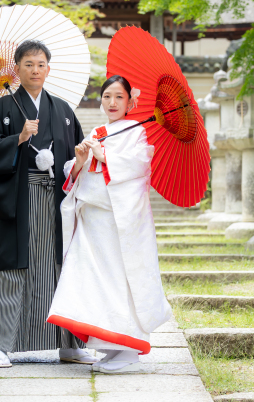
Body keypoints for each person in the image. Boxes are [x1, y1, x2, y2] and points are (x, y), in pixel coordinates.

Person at [0, 39, 100, 368]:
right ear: (15, 69)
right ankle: (2, 347)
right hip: (19, 201)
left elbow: (77, 161)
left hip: (57, 201)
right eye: (28, 64)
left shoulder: (62, 111)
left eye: (41, 64)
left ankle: (70, 344)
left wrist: (74, 163)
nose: (35, 69)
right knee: (14, 271)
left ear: (48, 69)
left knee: (64, 267)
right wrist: (17, 139)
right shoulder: (2, 110)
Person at [47, 75, 172, 374]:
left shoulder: (138, 133)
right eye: (107, 97)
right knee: (96, 284)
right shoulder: (98, 130)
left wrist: (106, 156)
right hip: (93, 223)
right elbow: (77, 176)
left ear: (131, 101)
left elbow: (139, 166)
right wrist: (78, 161)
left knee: (120, 282)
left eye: (119, 97)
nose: (112, 103)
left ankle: (129, 351)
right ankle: (113, 347)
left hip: (119, 223)